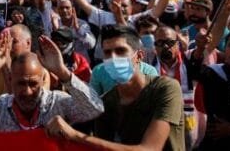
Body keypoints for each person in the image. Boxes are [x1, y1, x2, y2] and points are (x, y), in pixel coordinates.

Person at [45, 24, 184, 150]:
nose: (113, 58)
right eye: (107, 53)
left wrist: (75, 135)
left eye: (120, 51)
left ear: (139, 56)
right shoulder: (107, 103)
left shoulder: (165, 88)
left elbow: (150, 149)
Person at [0, 33, 103, 131]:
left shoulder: (58, 103)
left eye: (33, 84)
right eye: (21, 83)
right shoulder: (0, 107)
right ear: (11, 80)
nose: (27, 92)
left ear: (43, 80)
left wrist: (63, 73)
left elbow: (94, 108)